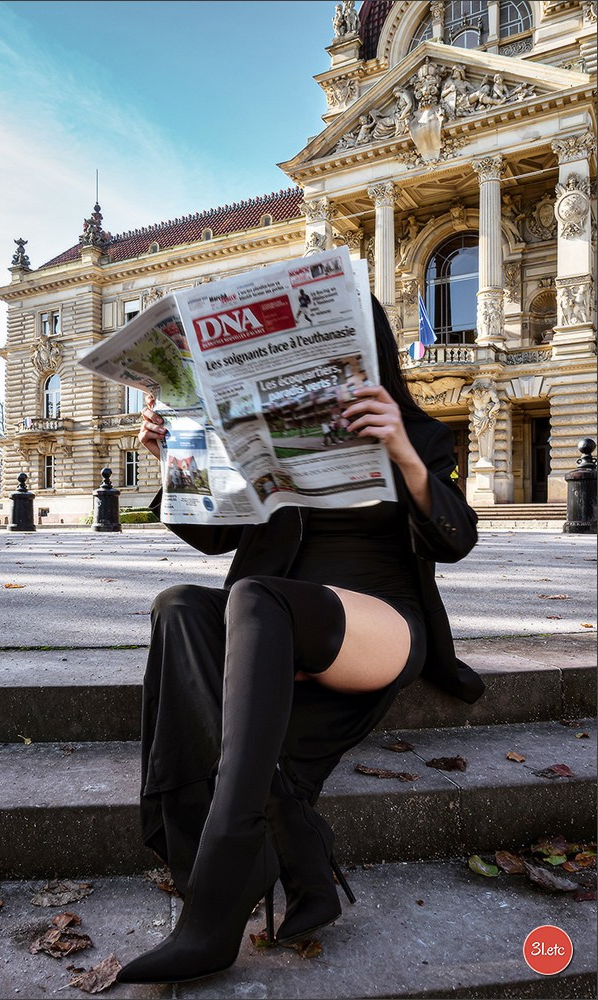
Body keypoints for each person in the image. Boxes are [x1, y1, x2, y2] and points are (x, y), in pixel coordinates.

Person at [117, 294, 484, 985]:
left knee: (252, 598)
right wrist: (177, 466)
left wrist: (404, 456)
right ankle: (248, 848)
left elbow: (458, 539)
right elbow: (215, 538)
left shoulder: (419, 432)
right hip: (271, 615)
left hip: (377, 623)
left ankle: (218, 899)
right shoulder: (255, 430)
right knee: (178, 608)